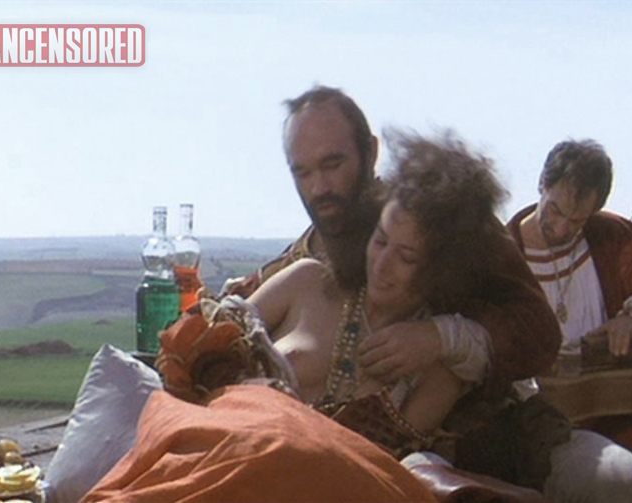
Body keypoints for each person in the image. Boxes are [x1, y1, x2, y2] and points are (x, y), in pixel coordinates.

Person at [85, 132, 548, 502]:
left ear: (441, 270)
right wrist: (247, 397)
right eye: (381, 240)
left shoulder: (440, 368)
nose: (383, 264)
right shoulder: (307, 280)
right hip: (211, 464)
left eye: (407, 257)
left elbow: (375, 473)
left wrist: (295, 439)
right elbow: (190, 364)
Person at [226, 86, 561, 400]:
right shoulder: (300, 263)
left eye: (333, 164)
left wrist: (442, 337)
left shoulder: (440, 217)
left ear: (370, 152)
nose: (319, 188)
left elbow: (539, 333)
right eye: (303, 173)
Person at [506, 139, 632, 503]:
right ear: (542, 185)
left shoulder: (609, 239)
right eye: (555, 211)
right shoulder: (504, 254)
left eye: (577, 220)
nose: (562, 228)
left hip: (610, 406)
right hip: (534, 421)